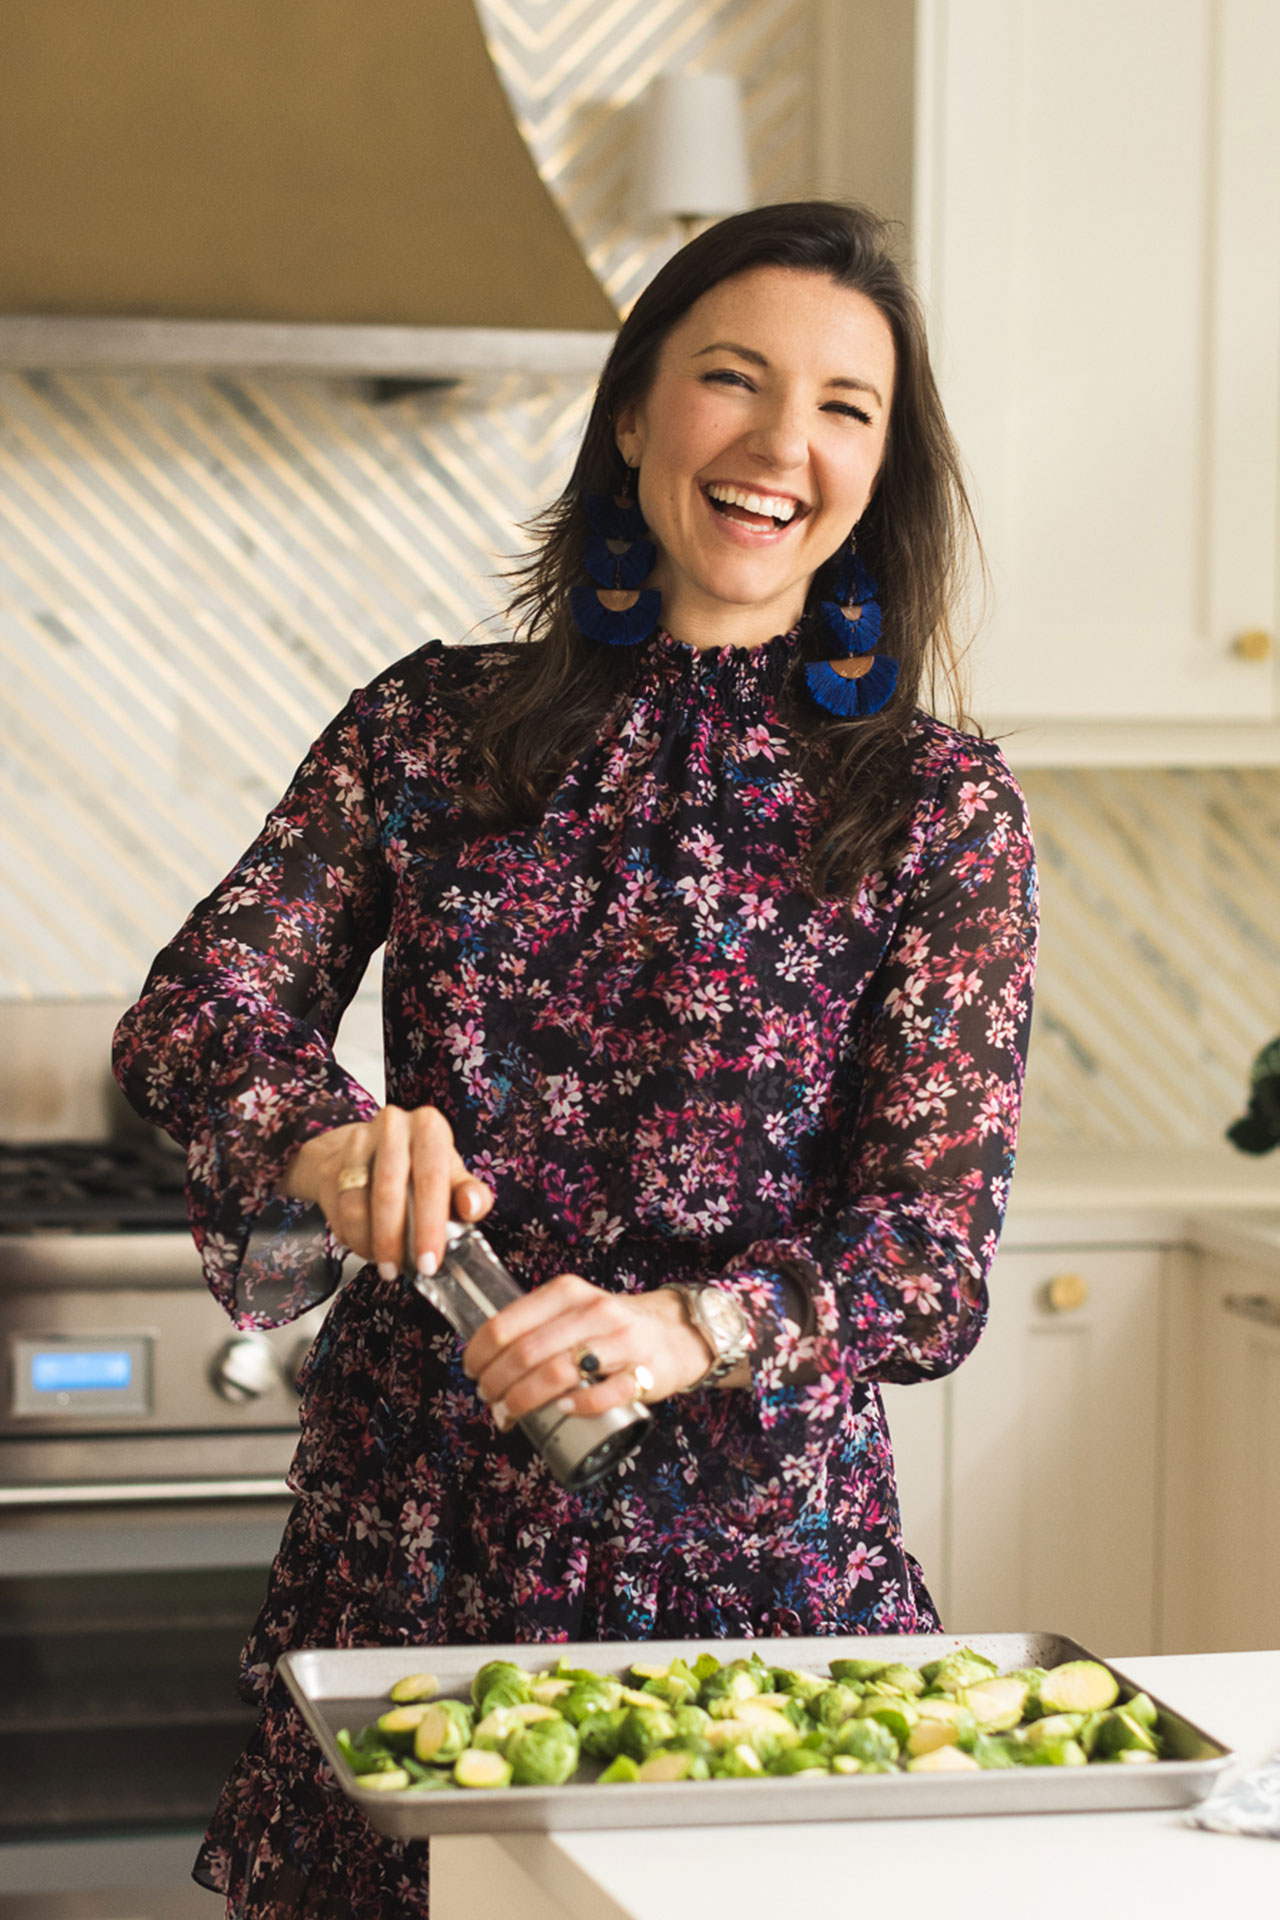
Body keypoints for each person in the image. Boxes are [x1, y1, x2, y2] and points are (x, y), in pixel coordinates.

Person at [112, 200, 1037, 1918]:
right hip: (418, 1554)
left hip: (762, 1584)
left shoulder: (939, 813)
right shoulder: (433, 728)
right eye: (733, 380)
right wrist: (331, 1144)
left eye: (845, 405)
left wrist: (691, 1328)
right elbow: (195, 1014)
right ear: (635, 414)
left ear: (882, 463)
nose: (782, 445)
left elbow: (932, 1253)